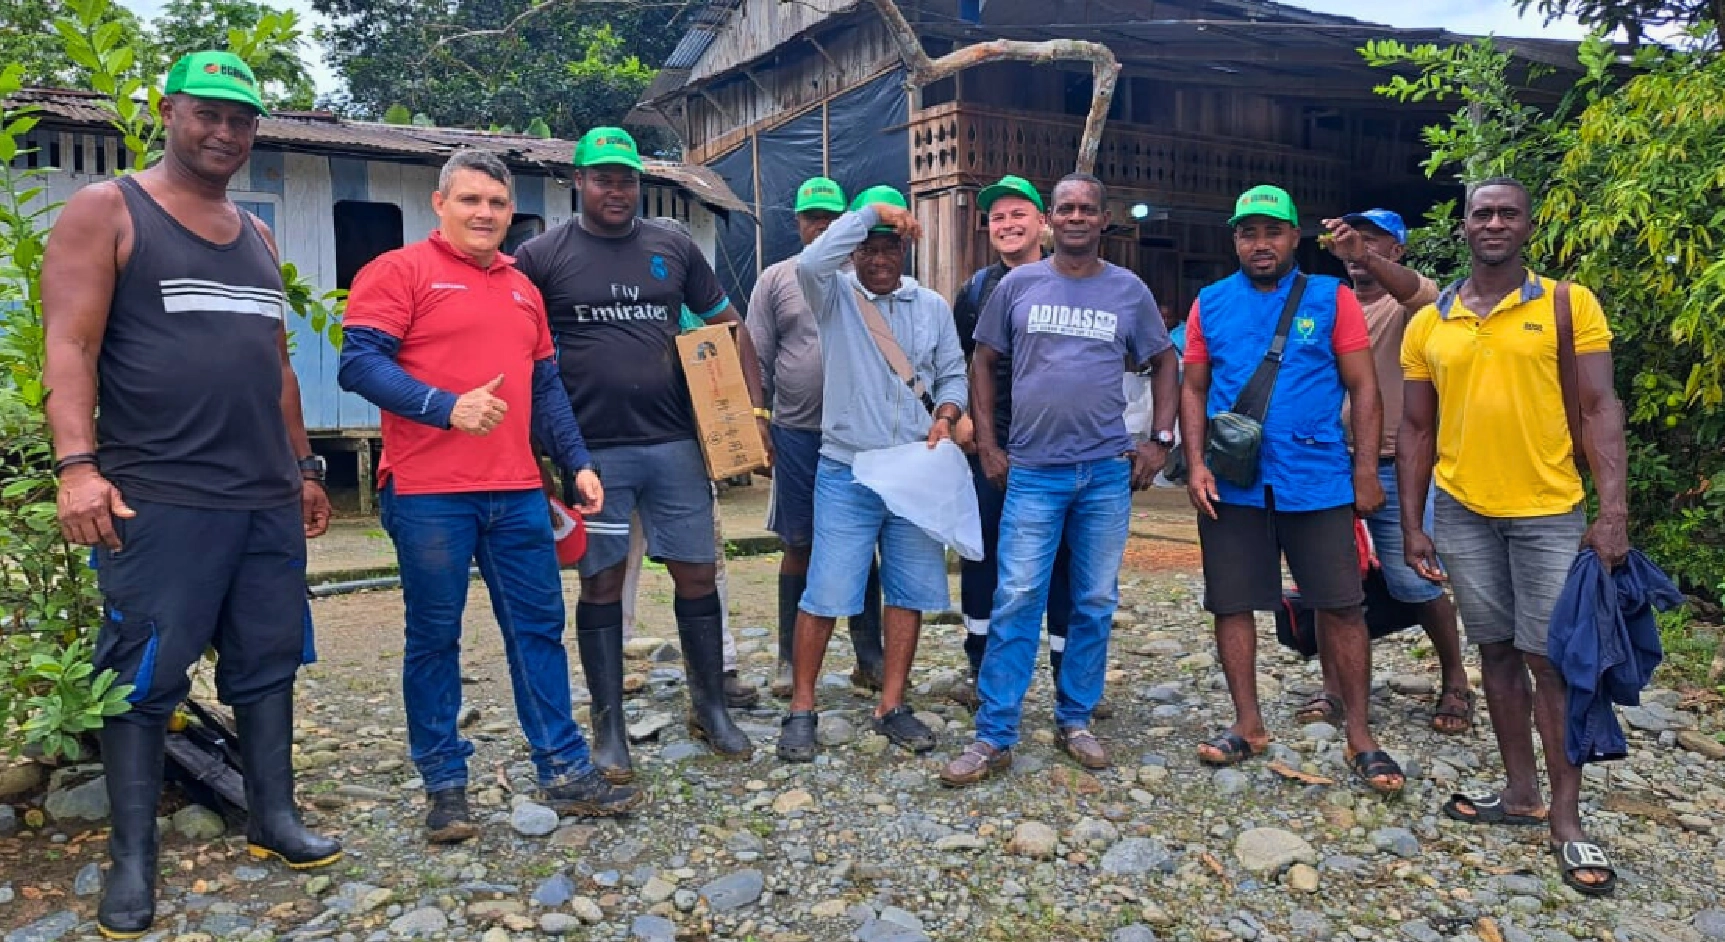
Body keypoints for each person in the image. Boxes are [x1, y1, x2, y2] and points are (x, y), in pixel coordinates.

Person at [41, 51, 342, 939]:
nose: (224, 132)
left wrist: (306, 468)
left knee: (267, 661)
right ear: (169, 112)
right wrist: (77, 467)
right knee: (141, 677)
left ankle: (272, 817)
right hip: (158, 496)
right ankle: (133, 859)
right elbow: (69, 347)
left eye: (241, 119)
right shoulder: (109, 210)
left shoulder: (257, 236)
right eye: (207, 113)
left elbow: (277, 365)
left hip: (260, 497)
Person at [338, 150, 643, 842]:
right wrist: (442, 407)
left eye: (497, 204)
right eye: (470, 200)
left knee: (536, 630)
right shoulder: (397, 272)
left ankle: (563, 769)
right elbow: (358, 363)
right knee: (434, 638)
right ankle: (445, 786)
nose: (484, 214)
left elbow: (544, 388)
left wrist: (576, 462)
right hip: (427, 493)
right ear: (438, 203)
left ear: (512, 213)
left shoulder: (520, 287)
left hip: (516, 491)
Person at [514, 127, 769, 782]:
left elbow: (724, 324)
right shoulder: (542, 255)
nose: (616, 189)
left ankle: (708, 706)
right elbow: (516, 346)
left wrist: (741, 414)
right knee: (600, 580)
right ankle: (607, 728)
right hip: (591, 453)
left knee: (696, 573)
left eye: (626, 178)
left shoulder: (672, 246)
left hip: (674, 444)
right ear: (578, 182)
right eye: (603, 177)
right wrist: (537, 445)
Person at [1400, 177, 1627, 895]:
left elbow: (1598, 406)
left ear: (1527, 226)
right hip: (1462, 510)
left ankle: (1567, 819)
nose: (1493, 222)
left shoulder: (1567, 304)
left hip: (1547, 511)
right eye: (1481, 213)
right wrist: (1412, 523)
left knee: (1548, 661)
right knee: (1494, 651)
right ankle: (1519, 792)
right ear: (1462, 227)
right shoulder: (1428, 321)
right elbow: (1413, 429)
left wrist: (1612, 510)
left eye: (1507, 213)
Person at [940, 173, 1179, 785]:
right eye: (1065, 208)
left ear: (1103, 220)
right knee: (1017, 594)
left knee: (1095, 598)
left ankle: (1076, 718)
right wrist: (988, 442)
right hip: (1033, 471)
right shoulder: (1018, 285)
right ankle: (995, 732)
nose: (1076, 216)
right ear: (1052, 218)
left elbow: (1164, 360)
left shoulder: (1129, 291)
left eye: (1088, 209)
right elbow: (984, 360)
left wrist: (1160, 440)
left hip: (1104, 473)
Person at [1181, 185, 1405, 795]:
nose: (1260, 244)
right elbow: (1194, 388)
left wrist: (1364, 473)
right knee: (1231, 603)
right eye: (1248, 232)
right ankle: (1247, 724)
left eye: (1272, 232)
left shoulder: (1332, 298)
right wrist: (1196, 463)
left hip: (1318, 478)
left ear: (1293, 238)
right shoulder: (1210, 303)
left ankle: (1360, 733)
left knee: (1341, 605)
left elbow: (1364, 388)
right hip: (1234, 484)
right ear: (1235, 239)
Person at [774, 185, 968, 762]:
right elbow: (812, 258)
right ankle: (802, 708)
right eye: (869, 248)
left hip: (913, 470)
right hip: (847, 469)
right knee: (826, 591)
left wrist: (947, 412)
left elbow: (952, 373)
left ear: (902, 255)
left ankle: (892, 705)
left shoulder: (930, 306)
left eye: (889, 249)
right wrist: (870, 216)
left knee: (907, 593)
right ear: (855, 250)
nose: (879, 259)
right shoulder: (831, 295)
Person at [1311, 209, 1472, 735]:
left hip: (1395, 464)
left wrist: (1368, 259)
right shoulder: (1327, 303)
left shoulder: (1411, 309)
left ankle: (1455, 679)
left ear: (1397, 251)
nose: (1356, 248)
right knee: (1329, 581)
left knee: (1415, 578)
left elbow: (1424, 294)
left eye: (1375, 242)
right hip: (1326, 461)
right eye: (1351, 240)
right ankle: (1334, 689)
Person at [946, 174, 1083, 714]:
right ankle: (981, 666)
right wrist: (957, 415)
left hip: (1059, 450)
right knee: (983, 556)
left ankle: (1067, 676)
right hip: (992, 449)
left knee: (1063, 562)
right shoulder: (977, 290)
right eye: (997, 218)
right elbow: (954, 361)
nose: (1007, 225)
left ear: (1042, 222)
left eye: (1017, 214)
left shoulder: (1074, 281)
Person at [746, 178, 886, 698]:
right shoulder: (778, 278)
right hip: (798, 431)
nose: (822, 225)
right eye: (813, 217)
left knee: (863, 543)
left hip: (860, 436)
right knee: (798, 543)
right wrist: (758, 418)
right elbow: (756, 351)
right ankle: (787, 659)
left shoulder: (869, 276)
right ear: (800, 222)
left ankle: (869, 657)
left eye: (832, 215)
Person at [610, 216, 756, 709]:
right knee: (614, 566)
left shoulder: (703, 320)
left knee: (704, 565)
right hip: (617, 450)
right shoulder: (622, 312)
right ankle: (609, 664)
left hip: (687, 459)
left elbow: (731, 374)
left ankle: (720, 667)